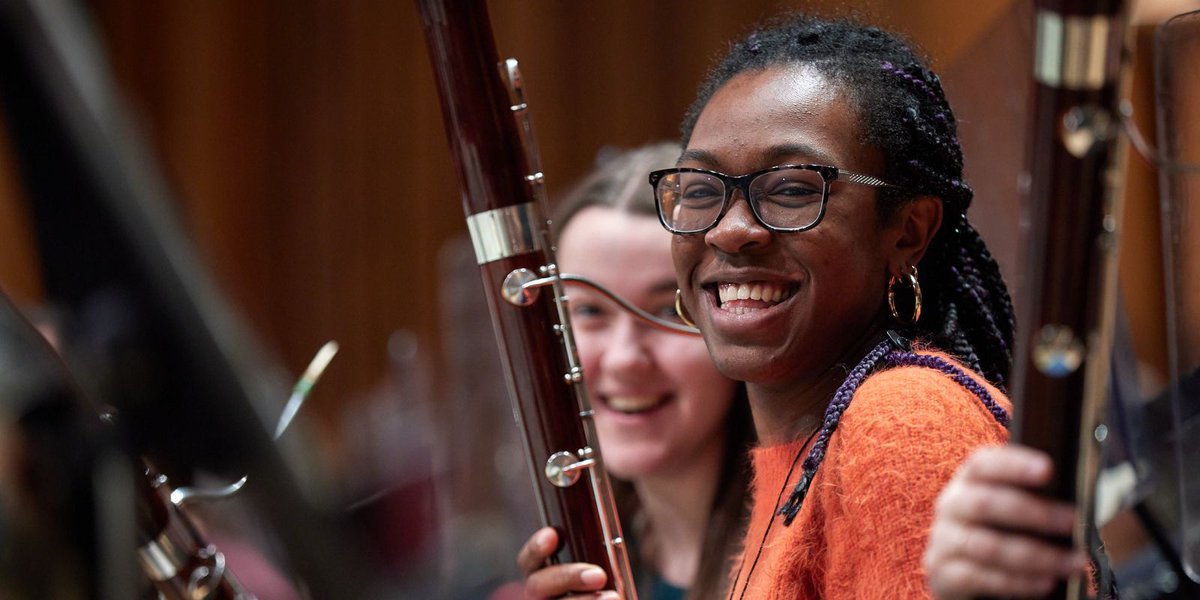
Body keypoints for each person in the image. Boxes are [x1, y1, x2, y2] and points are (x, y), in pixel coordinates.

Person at [520, 13, 1021, 599]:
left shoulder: (903, 422)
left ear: (908, 231)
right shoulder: (801, 458)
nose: (731, 231)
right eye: (701, 189)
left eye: (790, 189)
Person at [504, 142, 753, 600]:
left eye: (669, 309)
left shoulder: (808, 549)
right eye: (591, 311)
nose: (622, 358)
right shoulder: (578, 551)